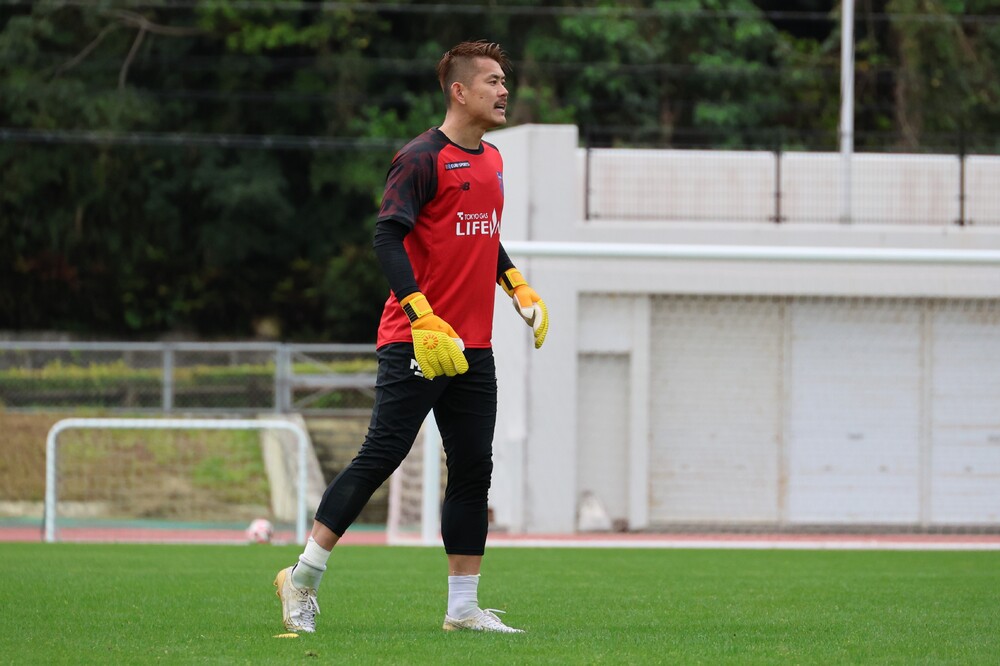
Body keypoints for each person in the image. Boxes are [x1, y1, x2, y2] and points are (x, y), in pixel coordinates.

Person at [273, 40, 548, 635]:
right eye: (494, 81)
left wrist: (516, 284)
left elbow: (483, 236)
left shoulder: (494, 160)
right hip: (416, 340)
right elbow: (387, 236)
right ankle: (301, 577)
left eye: (505, 81)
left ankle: (463, 609)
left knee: (473, 468)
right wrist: (421, 315)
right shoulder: (421, 158)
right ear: (459, 91)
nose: (505, 91)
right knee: (382, 455)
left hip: (473, 347)